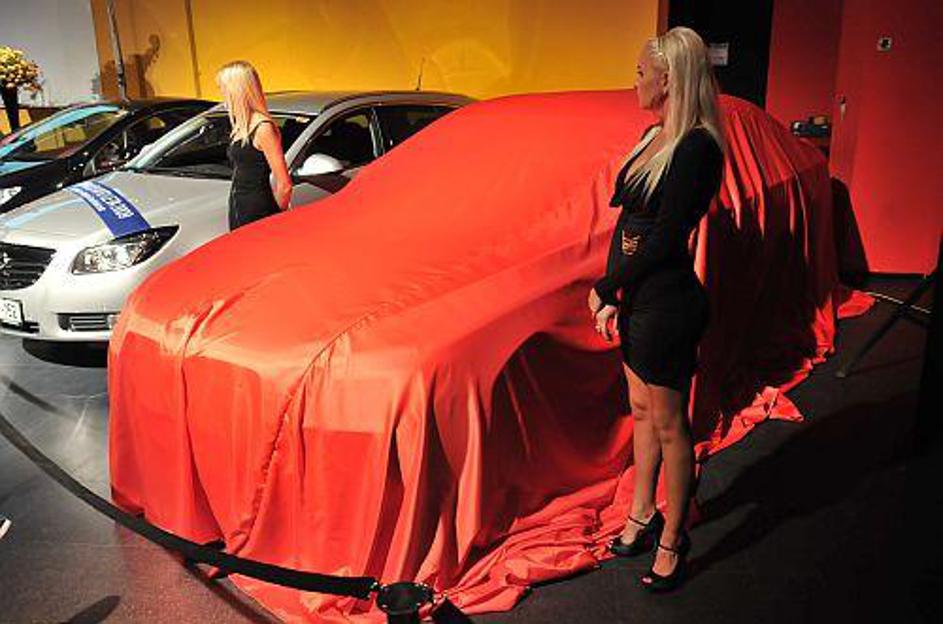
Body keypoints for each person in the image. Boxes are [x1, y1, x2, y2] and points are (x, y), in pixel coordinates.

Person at [587, 26, 724, 592]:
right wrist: (617, 293)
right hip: (640, 298)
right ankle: (642, 511)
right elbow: (629, 220)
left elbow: (665, 239)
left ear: (669, 79)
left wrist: (606, 287)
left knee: (670, 425)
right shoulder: (654, 137)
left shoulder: (697, 147)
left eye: (642, 72)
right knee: (642, 412)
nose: (635, 81)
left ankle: (673, 536)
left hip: (667, 305)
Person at [216, 61, 292, 230]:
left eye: (223, 89)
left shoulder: (263, 128)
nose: (223, 95)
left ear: (236, 90)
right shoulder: (241, 125)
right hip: (239, 205)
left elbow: (284, 185)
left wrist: (274, 217)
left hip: (258, 210)